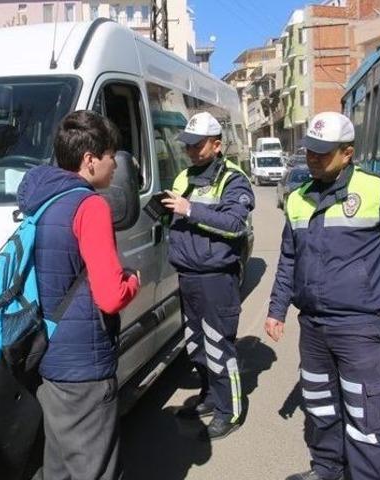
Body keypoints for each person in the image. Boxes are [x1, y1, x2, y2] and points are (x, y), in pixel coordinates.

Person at [264, 112, 380, 480]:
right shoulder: (297, 199)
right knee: (320, 406)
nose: (312, 159)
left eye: (322, 153)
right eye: (309, 151)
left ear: (347, 153)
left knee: (363, 415)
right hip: (314, 327)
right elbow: (289, 258)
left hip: (358, 326)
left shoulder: (378, 191)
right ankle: (327, 470)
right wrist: (277, 309)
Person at [16, 110, 140, 479]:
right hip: (85, 364)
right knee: (95, 469)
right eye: (110, 157)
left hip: (50, 356)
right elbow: (110, 297)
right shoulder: (90, 206)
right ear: (89, 160)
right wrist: (132, 279)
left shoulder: (43, 201)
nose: (116, 166)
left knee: (59, 467)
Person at [161, 111, 254, 440]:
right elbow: (178, 212)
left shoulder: (234, 179)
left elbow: (236, 224)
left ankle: (230, 411)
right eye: (186, 145)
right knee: (196, 346)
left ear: (216, 145)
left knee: (219, 346)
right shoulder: (185, 175)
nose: (189, 151)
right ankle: (211, 397)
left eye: (196, 146)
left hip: (216, 278)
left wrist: (191, 210)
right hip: (188, 276)